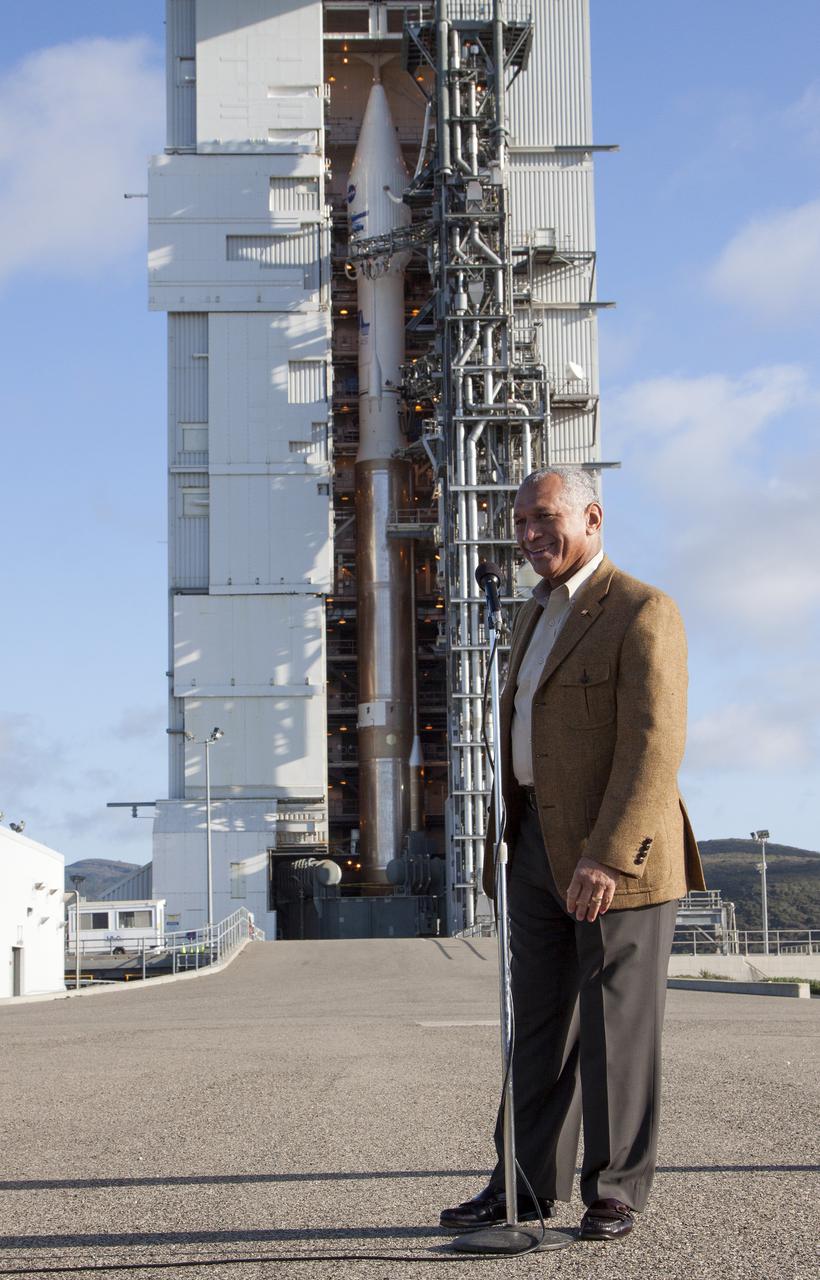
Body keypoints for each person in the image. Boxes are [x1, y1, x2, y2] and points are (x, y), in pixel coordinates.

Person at [441, 466, 705, 1242]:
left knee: (614, 1024)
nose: (528, 535)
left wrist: (609, 856)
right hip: (532, 847)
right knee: (540, 1024)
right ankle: (519, 1186)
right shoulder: (532, 614)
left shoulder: (642, 611)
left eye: (544, 518)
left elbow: (654, 747)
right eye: (520, 522)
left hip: (615, 853)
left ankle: (615, 1189)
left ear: (592, 517)